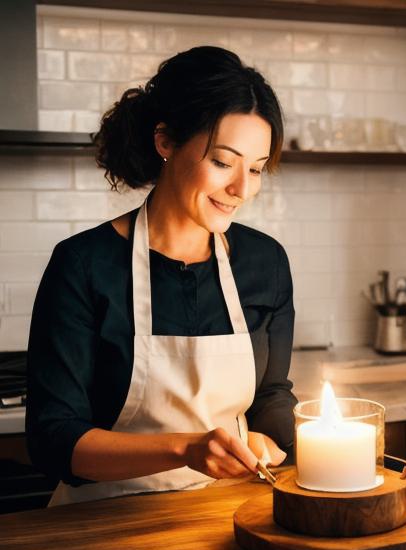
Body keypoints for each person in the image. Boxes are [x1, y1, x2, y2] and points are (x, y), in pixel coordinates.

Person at [26, 46, 295, 505]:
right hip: (102, 522)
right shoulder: (84, 265)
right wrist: (187, 450)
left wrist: (314, 444)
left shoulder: (264, 262)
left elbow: (269, 396)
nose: (242, 189)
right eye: (223, 162)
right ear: (165, 141)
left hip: (227, 513)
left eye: (255, 168)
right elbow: (54, 439)